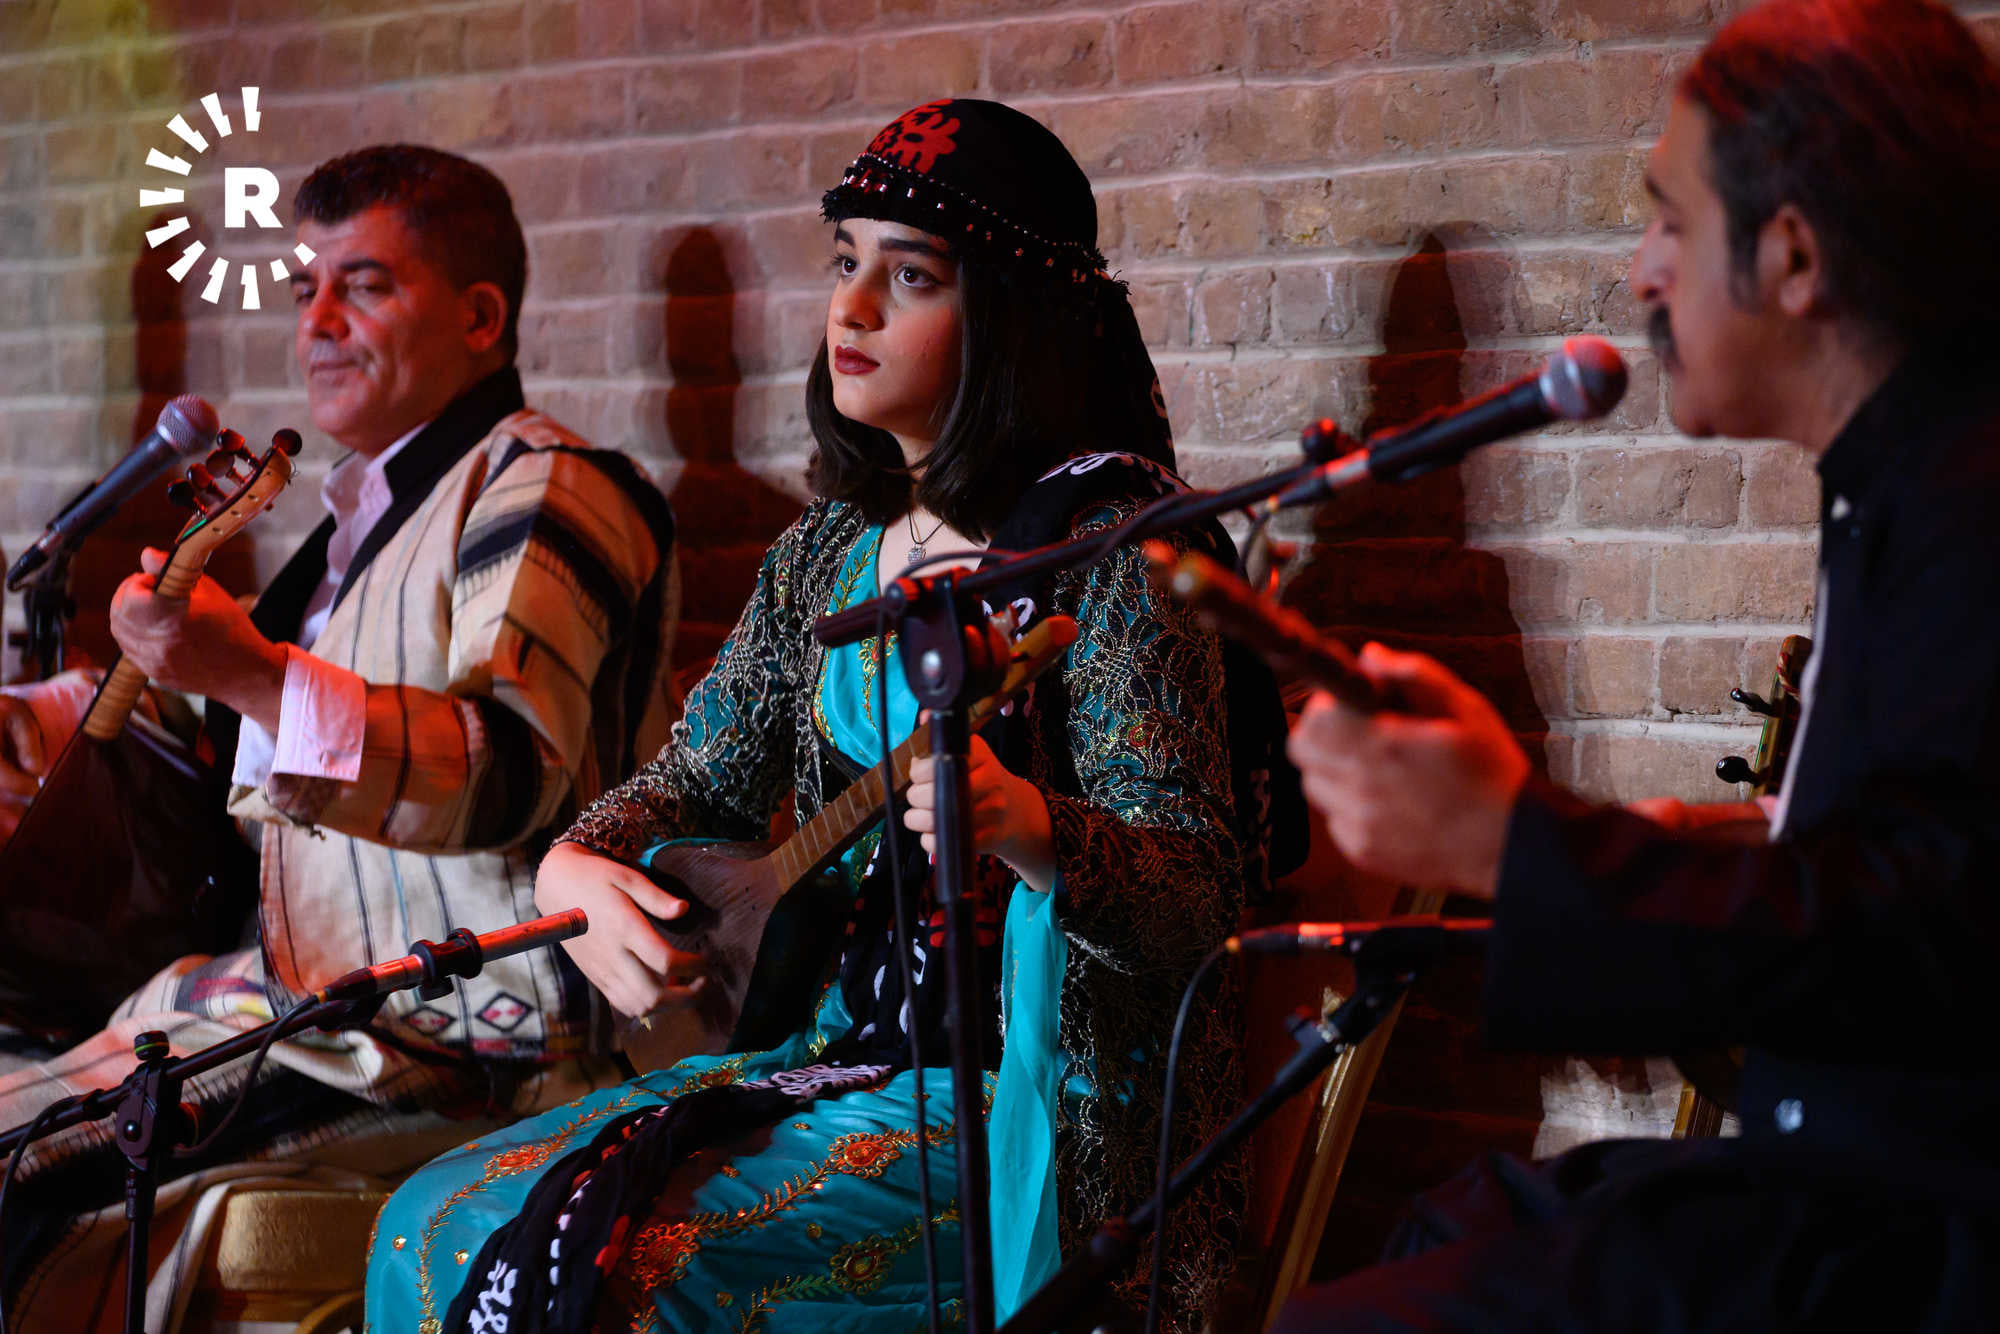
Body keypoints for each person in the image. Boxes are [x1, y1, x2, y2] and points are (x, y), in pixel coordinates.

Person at [365, 99, 1254, 1334]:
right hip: (844, 1056)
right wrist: (578, 856)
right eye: (844, 263)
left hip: (1039, 1108)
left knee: (635, 1270)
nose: (852, 309)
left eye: (910, 276)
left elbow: (1202, 894)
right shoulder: (824, 554)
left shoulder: (1118, 549)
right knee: (430, 1221)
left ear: (1008, 315)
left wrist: (1026, 820)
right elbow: (693, 777)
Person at [1278, 1, 2000, 1328]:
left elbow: (1917, 928)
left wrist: (1511, 840)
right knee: (1447, 1219)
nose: (1639, 271)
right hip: (1837, 1166)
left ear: (1792, 257)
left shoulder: (1966, 505)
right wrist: (1646, 836)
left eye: (1669, 218)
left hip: (1918, 1227)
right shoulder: (1902, 486)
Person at [0, 145, 681, 1328]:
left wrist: (247, 667)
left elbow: (508, 763)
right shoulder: (350, 521)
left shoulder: (548, 487)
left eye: (362, 285)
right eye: (306, 285)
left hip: (464, 1036)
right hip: (291, 1009)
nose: (314, 320)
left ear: (480, 316)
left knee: (24, 1174)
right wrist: (62, 708)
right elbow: (223, 735)